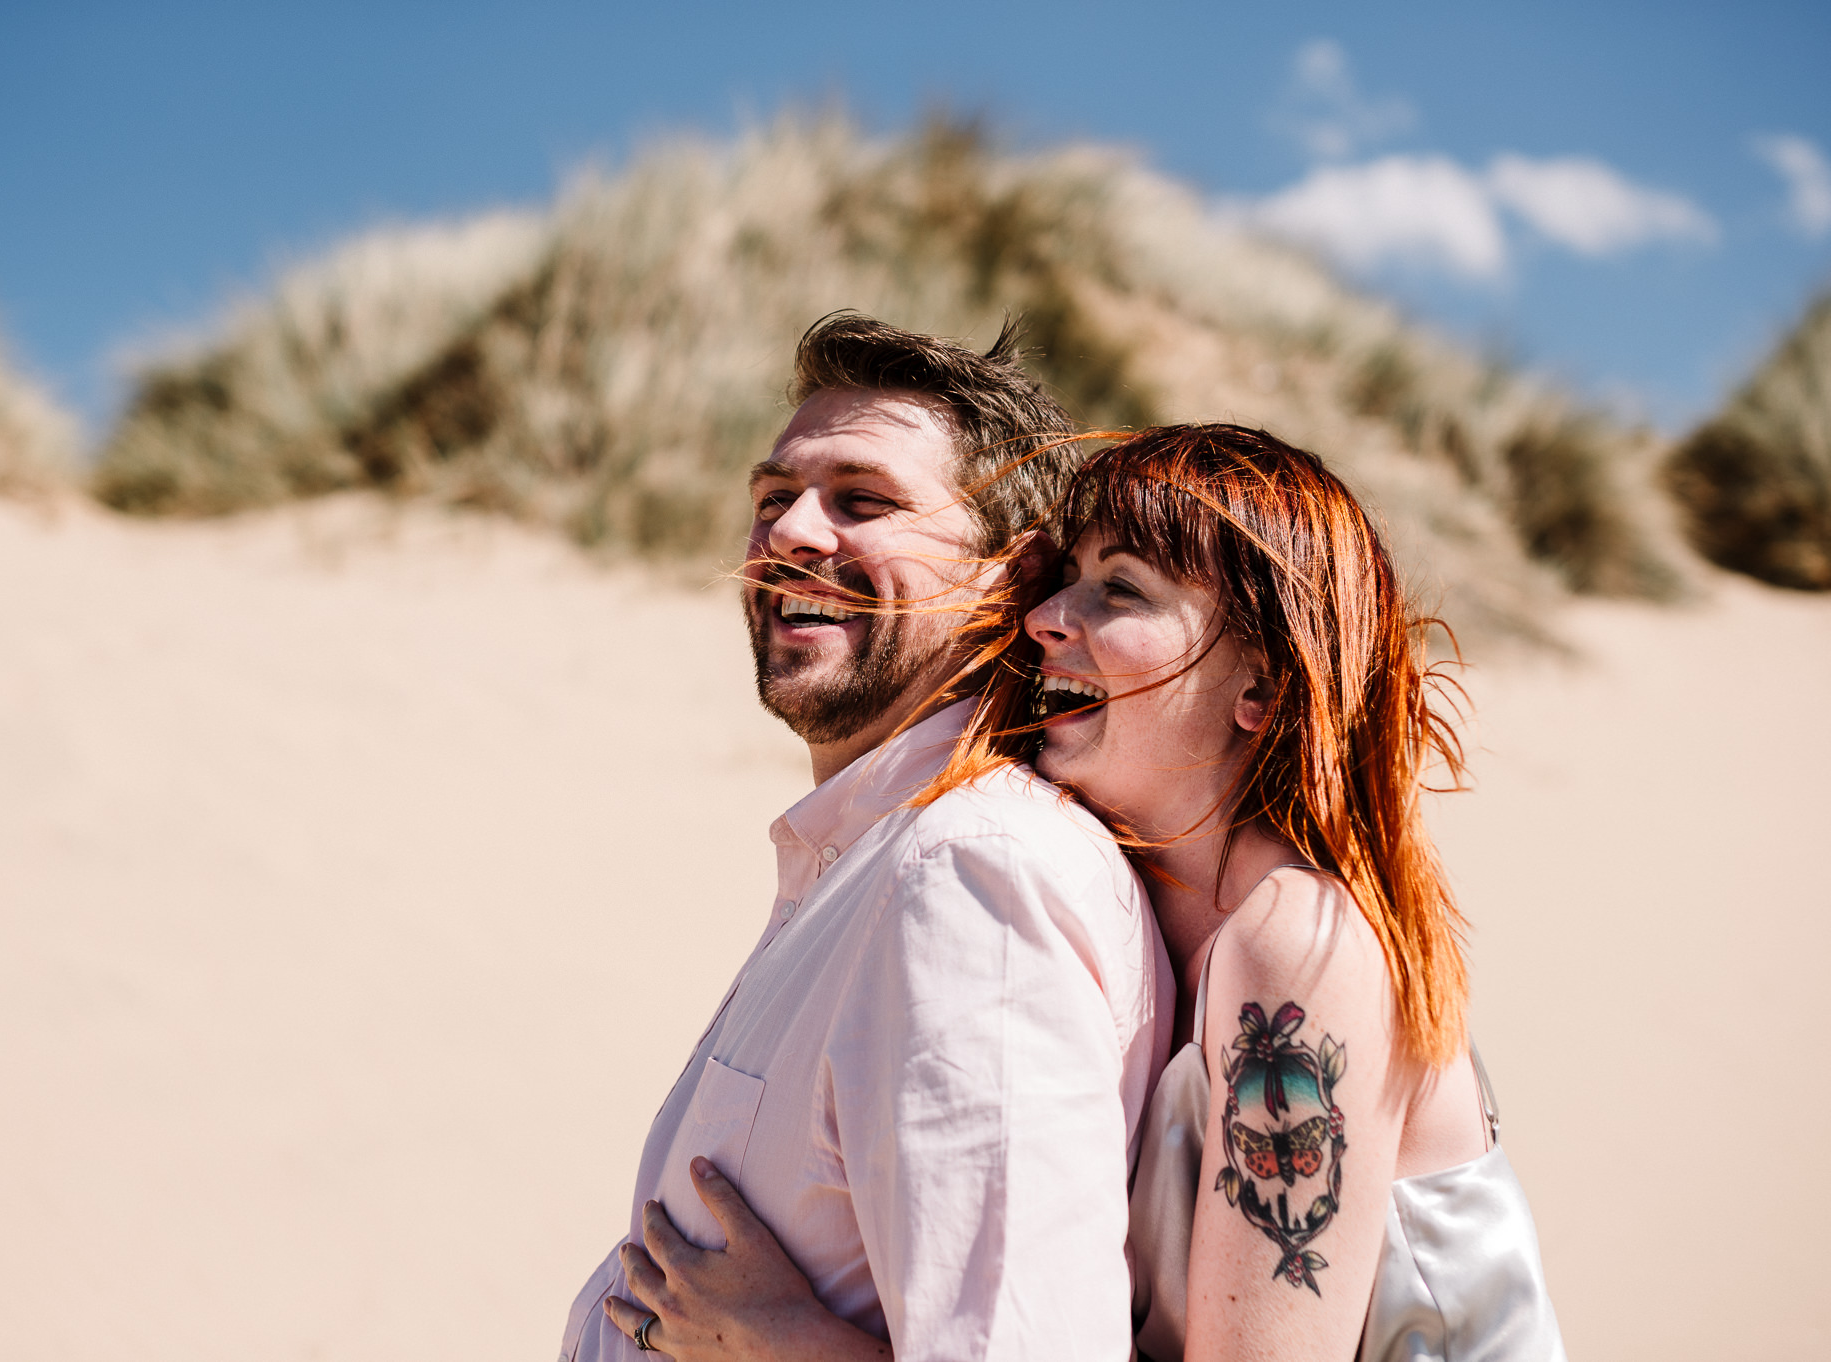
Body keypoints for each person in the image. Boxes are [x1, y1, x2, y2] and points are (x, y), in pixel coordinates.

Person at [608, 424, 1565, 1361]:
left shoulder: (1297, 941)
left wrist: (789, 1346)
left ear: (1262, 692)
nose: (1048, 619)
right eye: (1066, 579)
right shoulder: (1135, 912)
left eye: (1122, 590)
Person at [557, 313, 1176, 1362]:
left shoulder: (971, 877)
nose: (790, 534)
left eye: (864, 500)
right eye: (772, 499)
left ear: (1015, 583)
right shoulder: (873, 864)